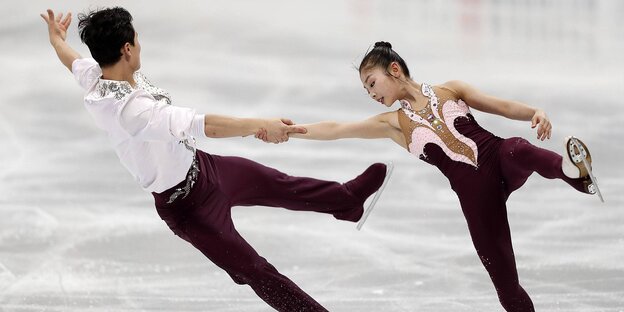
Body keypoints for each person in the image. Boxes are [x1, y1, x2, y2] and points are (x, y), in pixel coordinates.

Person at [40, 8, 391, 311]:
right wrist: (260, 125)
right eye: (137, 39)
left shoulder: (98, 77)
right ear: (127, 48)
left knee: (278, 183)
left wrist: (57, 37)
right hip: (188, 209)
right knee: (256, 271)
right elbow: (204, 124)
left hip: (204, 169)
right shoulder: (133, 113)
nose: (141, 45)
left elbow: (71, 58)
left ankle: (347, 202)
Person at [274, 41, 602, 311]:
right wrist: (291, 131)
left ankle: (576, 175)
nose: (371, 93)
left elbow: (498, 105)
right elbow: (337, 129)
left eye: (371, 83)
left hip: (499, 158)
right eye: (366, 90)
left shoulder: (451, 90)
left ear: (395, 69)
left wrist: (534, 112)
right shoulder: (392, 124)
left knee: (518, 147)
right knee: (506, 283)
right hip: (476, 195)